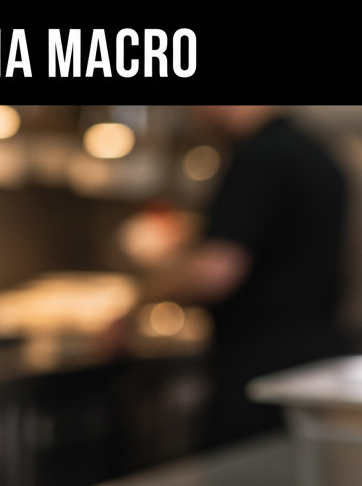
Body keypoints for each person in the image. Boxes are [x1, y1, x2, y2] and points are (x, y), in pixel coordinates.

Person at [146, 106, 348, 446]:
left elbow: (218, 270)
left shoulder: (259, 156)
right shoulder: (320, 153)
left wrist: (142, 297)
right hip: (316, 360)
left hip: (260, 371)